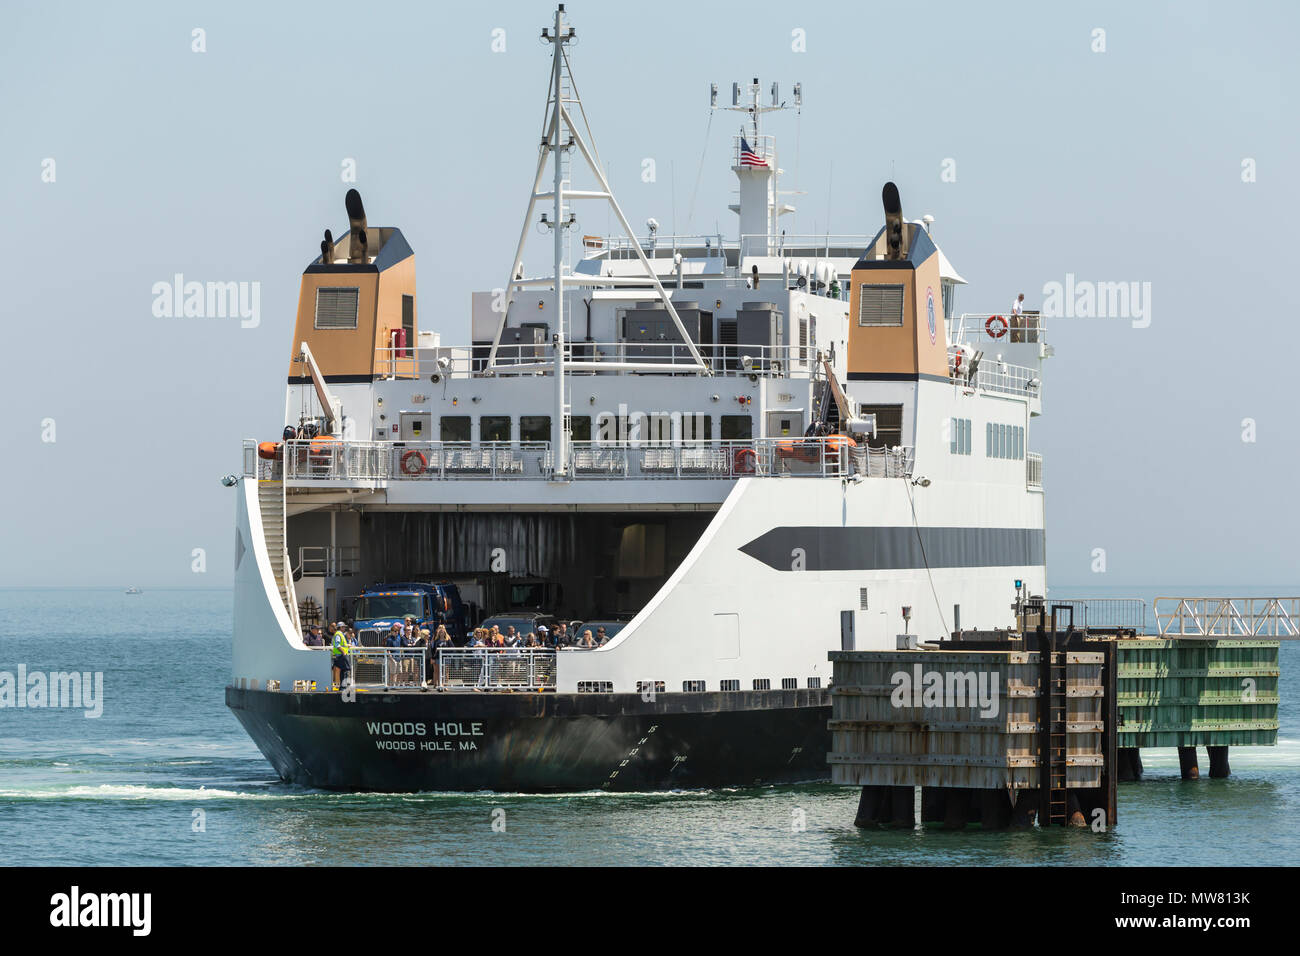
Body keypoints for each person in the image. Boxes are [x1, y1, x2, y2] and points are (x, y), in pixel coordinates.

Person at [330, 623, 351, 690]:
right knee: (346, 670)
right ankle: (343, 687)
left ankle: (342, 687)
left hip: (340, 655)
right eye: (343, 627)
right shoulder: (338, 634)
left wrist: (347, 645)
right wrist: (343, 652)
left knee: (343, 671)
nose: (344, 628)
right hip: (341, 655)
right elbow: (337, 645)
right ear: (340, 627)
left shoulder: (339, 634)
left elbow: (340, 644)